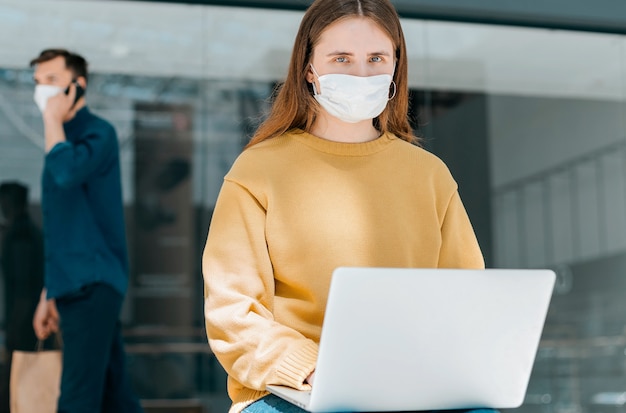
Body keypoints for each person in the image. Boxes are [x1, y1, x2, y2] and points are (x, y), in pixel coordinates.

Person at [202, 1, 498, 413]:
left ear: (396, 67)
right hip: (292, 388)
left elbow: (466, 297)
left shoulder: (430, 175)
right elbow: (233, 313)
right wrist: (311, 369)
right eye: (341, 58)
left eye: (377, 58)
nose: (361, 74)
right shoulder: (257, 171)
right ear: (309, 70)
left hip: (410, 381)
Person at [29, 49, 143, 413]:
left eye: (51, 81)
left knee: (78, 396)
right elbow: (65, 227)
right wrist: (50, 291)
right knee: (114, 391)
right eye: (37, 83)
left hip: (91, 284)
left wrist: (51, 119)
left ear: (77, 86)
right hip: (74, 283)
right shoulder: (59, 142)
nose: (41, 91)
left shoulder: (97, 133)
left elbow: (65, 173)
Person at [0, 182, 51, 413]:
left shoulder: (21, 237)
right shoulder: (29, 232)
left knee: (19, 388)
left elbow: (22, 289)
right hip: (31, 324)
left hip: (25, 327)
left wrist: (13, 328)